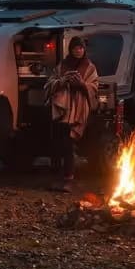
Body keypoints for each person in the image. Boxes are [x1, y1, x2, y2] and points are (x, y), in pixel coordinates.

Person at [45, 36, 98, 192]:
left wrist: (82, 84)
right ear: (71, 49)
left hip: (78, 109)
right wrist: (63, 81)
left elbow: (94, 86)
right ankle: (58, 177)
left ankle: (69, 178)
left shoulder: (89, 67)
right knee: (58, 142)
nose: (78, 50)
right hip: (61, 109)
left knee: (69, 144)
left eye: (81, 48)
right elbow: (50, 82)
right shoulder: (63, 65)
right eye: (76, 48)